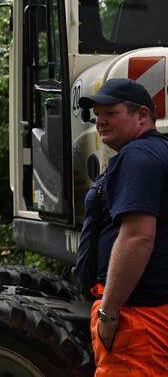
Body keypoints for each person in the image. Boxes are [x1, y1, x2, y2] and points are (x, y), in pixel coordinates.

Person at [76, 77, 168, 374]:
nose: (100, 121)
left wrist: (109, 313)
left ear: (142, 115)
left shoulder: (137, 158)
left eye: (110, 113)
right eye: (97, 114)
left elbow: (137, 237)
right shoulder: (157, 152)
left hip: (137, 316)